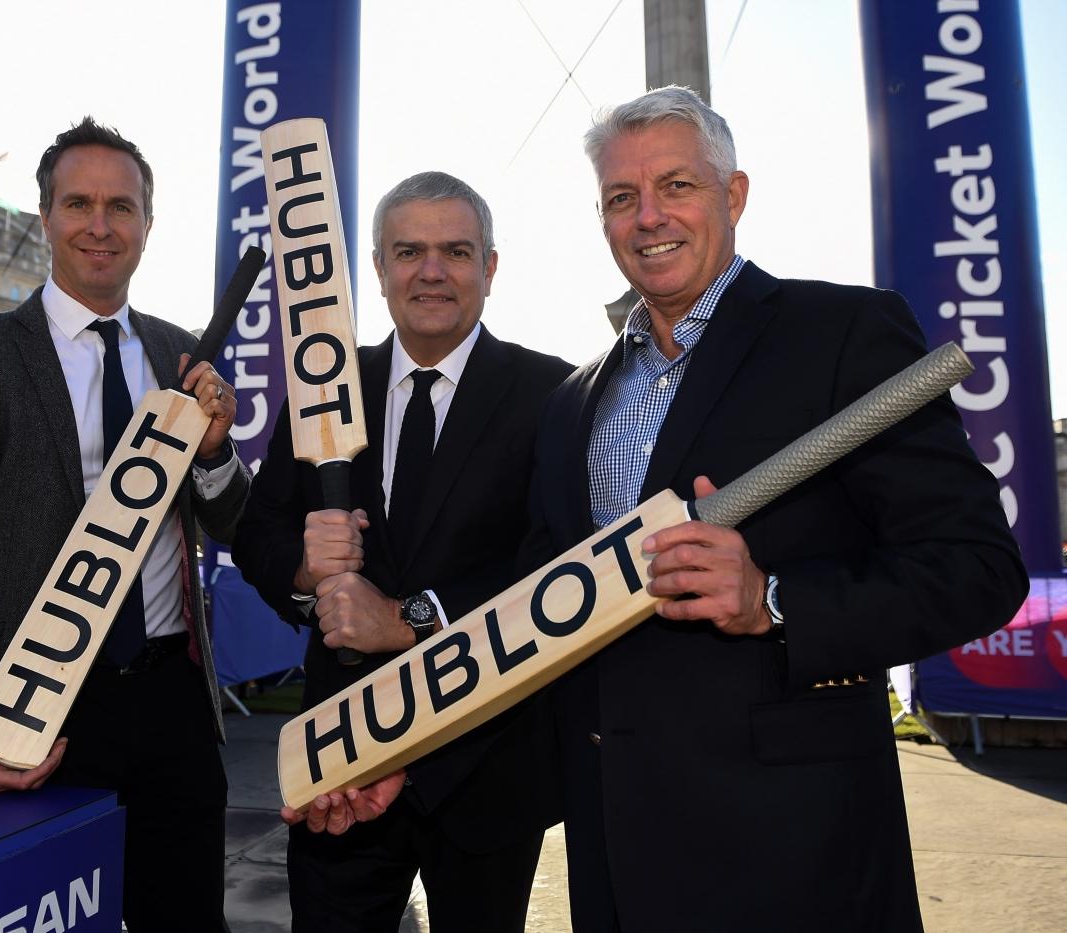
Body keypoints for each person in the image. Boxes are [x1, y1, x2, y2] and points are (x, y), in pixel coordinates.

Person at [522, 87, 1028, 931]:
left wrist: (774, 599)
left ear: (734, 194)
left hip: (795, 855)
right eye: (621, 197)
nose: (649, 217)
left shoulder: (843, 333)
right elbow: (537, 610)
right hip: (613, 858)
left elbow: (977, 569)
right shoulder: (573, 402)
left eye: (676, 185)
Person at [0, 117, 249, 932]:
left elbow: (234, 521)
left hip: (172, 707)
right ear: (44, 217)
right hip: (25, 709)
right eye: (78, 203)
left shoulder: (182, 354)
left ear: (148, 224)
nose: (100, 225)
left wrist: (216, 452)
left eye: (121, 206)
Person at [233, 172, 573, 933]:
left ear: (490, 266)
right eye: (409, 251)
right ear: (379, 269)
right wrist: (304, 567)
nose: (431, 271)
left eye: (456, 251)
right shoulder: (324, 388)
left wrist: (410, 619)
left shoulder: (554, 393)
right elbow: (258, 531)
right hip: (342, 768)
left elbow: (554, 563)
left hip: (487, 765)